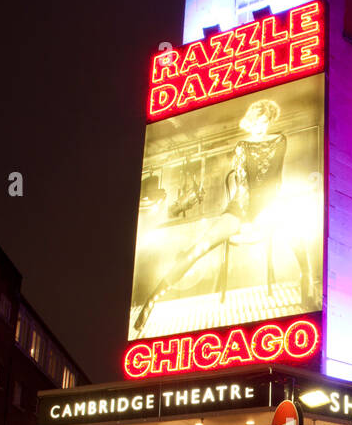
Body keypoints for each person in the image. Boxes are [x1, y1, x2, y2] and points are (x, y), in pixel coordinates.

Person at [133, 98, 318, 334]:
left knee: (296, 235)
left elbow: (274, 179)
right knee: (199, 248)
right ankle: (152, 299)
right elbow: (242, 184)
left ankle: (307, 282)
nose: (261, 126)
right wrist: (247, 219)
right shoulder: (242, 146)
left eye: (265, 121)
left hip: (269, 202)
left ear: (270, 120)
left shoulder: (280, 140)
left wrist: (266, 212)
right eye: (257, 121)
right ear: (250, 122)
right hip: (240, 206)